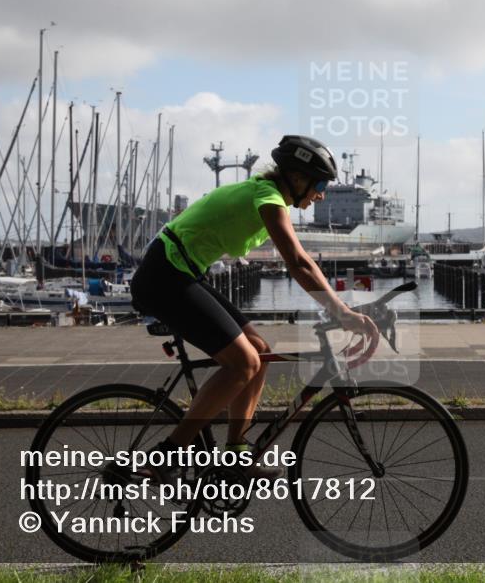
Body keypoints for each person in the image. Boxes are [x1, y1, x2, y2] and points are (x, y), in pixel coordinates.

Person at [129, 135, 378, 480]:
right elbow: (298, 263)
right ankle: (165, 458)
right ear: (297, 177)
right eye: (320, 185)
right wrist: (342, 313)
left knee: (260, 352)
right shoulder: (268, 197)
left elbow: (302, 262)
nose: (321, 194)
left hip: (182, 271)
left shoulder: (268, 195)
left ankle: (236, 455)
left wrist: (338, 309)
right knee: (243, 362)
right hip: (165, 275)